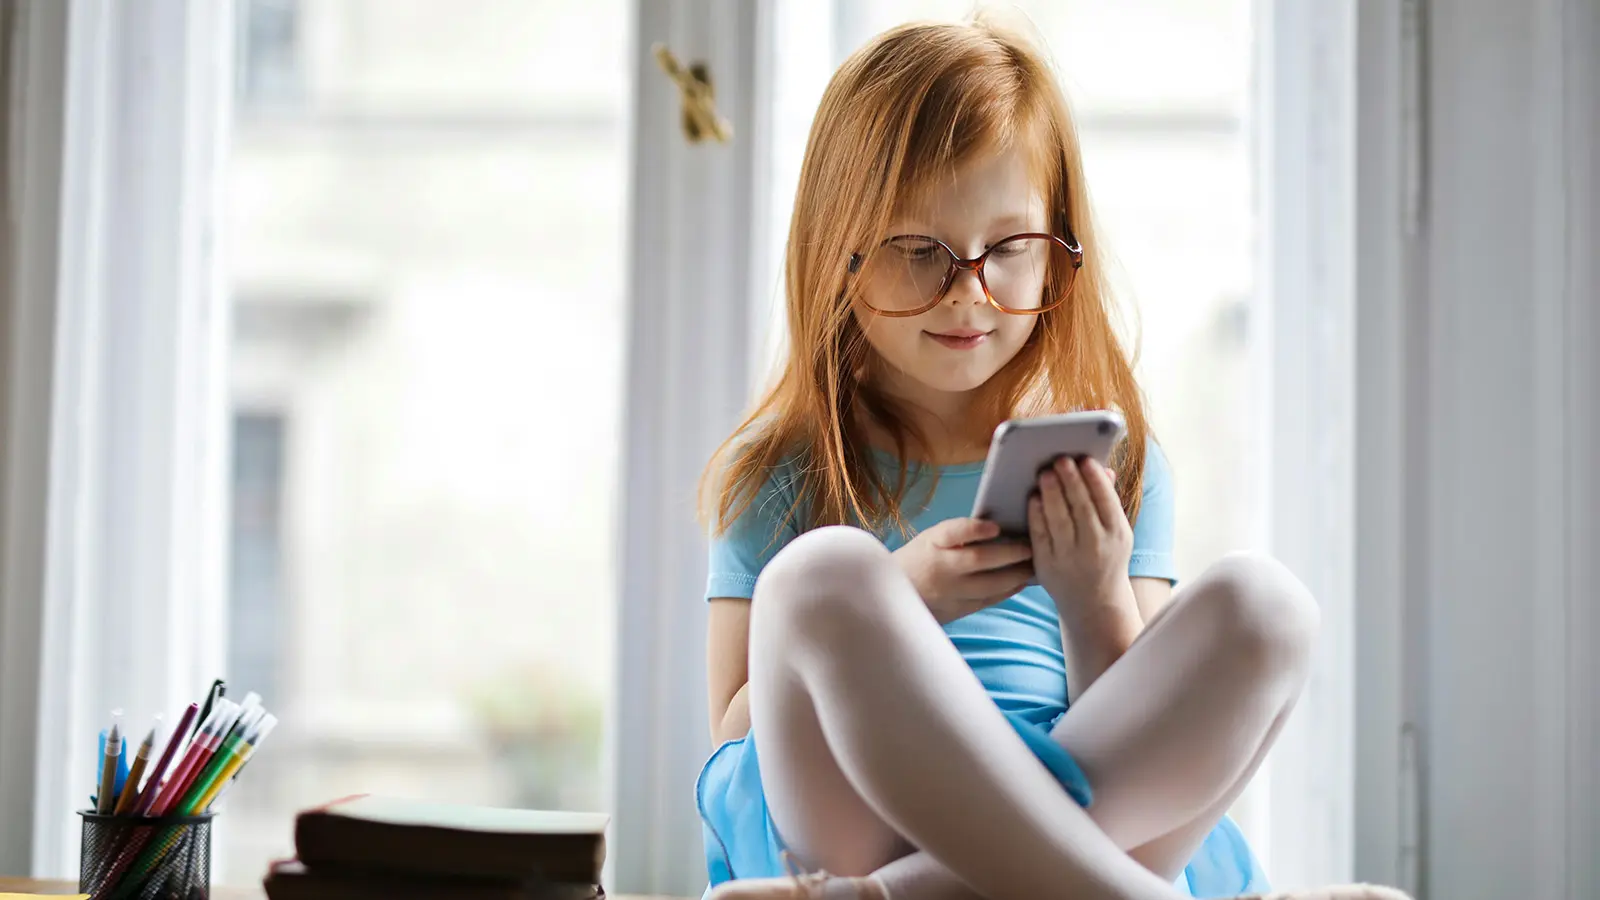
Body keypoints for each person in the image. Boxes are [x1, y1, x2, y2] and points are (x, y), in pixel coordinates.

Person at [695, 16, 1403, 900]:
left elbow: (1145, 723)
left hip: (1080, 792)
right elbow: (733, 735)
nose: (968, 292)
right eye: (920, 252)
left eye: (1010, 250)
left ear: (1057, 252)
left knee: (1270, 608)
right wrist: (901, 592)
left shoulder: (1114, 465)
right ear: (839, 254)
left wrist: (1095, 598)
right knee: (819, 577)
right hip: (854, 812)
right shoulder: (784, 470)